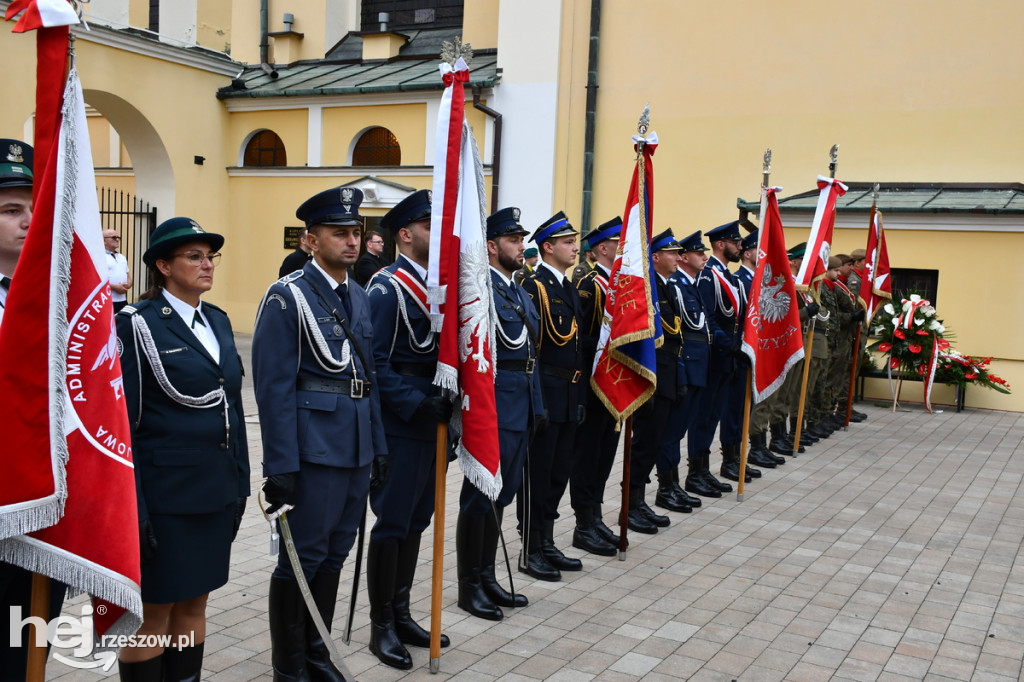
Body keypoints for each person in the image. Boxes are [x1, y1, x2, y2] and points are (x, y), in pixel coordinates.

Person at [253, 186, 388, 681]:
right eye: (340, 233)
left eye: (357, 233)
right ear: (311, 240)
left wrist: (379, 446)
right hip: (314, 449)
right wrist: (281, 465)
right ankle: (288, 668)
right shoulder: (287, 297)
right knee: (301, 558)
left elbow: (367, 376)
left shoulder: (357, 294)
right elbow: (273, 387)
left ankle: (317, 652)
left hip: (354, 446)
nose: (352, 242)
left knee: (335, 553)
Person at [115, 217, 250, 679]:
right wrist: (135, 509)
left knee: (196, 601)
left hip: (214, 491)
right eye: (194, 256)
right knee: (152, 614)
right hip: (165, 496)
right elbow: (124, 426)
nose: (207, 264)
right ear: (163, 266)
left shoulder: (216, 320)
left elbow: (231, 407)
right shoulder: (136, 324)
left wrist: (241, 484)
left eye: (210, 256)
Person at [365, 189, 451, 669]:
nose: (436, 233)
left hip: (432, 419)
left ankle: (401, 611)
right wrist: (418, 404)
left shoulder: (436, 287)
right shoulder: (387, 288)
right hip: (403, 422)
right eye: (427, 225)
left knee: (418, 520)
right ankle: (380, 624)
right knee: (394, 522)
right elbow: (375, 363)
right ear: (404, 234)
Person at [0, 139, 70, 682]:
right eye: (10, 210)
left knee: (31, 636)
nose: (28, 222)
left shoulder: (61, 296)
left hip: (44, 504)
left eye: (34, 209)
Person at [456, 206, 542, 622]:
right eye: (512, 240)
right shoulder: (481, 289)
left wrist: (536, 406)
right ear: (491, 246)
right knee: (479, 497)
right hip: (494, 405)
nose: (520, 246)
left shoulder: (518, 289)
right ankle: (468, 586)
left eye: (521, 239)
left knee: (502, 496)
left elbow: (530, 353)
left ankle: (487, 575)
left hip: (520, 402)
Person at [519, 211, 586, 582]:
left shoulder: (566, 285)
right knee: (539, 475)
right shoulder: (535, 286)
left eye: (574, 241)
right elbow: (534, 349)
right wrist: (537, 402)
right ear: (548, 246)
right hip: (545, 391)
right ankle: (530, 546)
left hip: (568, 392)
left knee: (559, 473)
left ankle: (546, 539)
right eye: (567, 242)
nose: (575, 247)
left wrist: (577, 397)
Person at [569, 217, 623, 556]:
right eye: (618, 242)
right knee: (588, 455)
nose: (624, 247)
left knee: (606, 453)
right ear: (602, 248)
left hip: (615, 382)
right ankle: (583, 522)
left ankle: (597, 514)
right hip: (594, 382)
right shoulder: (590, 285)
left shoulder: (619, 285)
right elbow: (582, 340)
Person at [627, 230, 686, 532]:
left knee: (653, 444)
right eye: (672, 253)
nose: (679, 257)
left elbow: (676, 337)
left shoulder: (666, 288)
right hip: (653, 379)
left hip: (667, 377)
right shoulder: (649, 289)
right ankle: (630, 505)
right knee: (644, 444)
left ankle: (639, 501)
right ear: (655, 258)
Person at [658, 230, 716, 501]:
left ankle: (675, 484)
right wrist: (681, 368)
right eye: (698, 252)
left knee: (681, 428)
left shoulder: (689, 284)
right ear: (683, 258)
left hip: (698, 366)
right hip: (686, 365)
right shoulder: (677, 286)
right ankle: (667, 486)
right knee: (671, 430)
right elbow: (677, 333)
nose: (704, 257)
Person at [734, 231, 785, 471]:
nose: (763, 254)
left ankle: (758, 446)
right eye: (758, 249)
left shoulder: (759, 279)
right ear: (747, 253)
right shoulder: (740, 280)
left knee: (761, 399)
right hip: (747, 351)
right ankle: (751, 449)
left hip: (763, 349)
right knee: (747, 405)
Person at [104, 228, 133, 312]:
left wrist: (127, 285)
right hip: (107, 301)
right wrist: (115, 287)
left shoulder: (122, 257)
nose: (117, 239)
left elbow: (128, 276)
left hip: (122, 301)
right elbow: (96, 280)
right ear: (104, 240)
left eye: (118, 237)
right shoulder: (99, 257)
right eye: (113, 237)